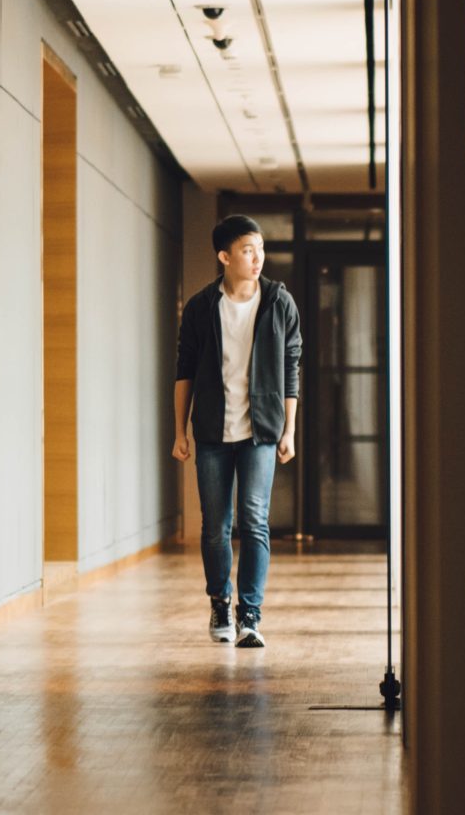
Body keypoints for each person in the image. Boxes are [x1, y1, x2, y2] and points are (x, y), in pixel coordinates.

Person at [173, 215, 301, 648]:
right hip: (211, 431)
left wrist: (289, 430)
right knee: (215, 526)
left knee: (255, 521)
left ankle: (250, 614)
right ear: (224, 256)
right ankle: (219, 601)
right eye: (248, 249)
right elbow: (184, 372)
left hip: (261, 431)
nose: (257, 257)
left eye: (261, 248)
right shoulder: (201, 307)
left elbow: (291, 369)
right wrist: (179, 431)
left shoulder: (279, 302)